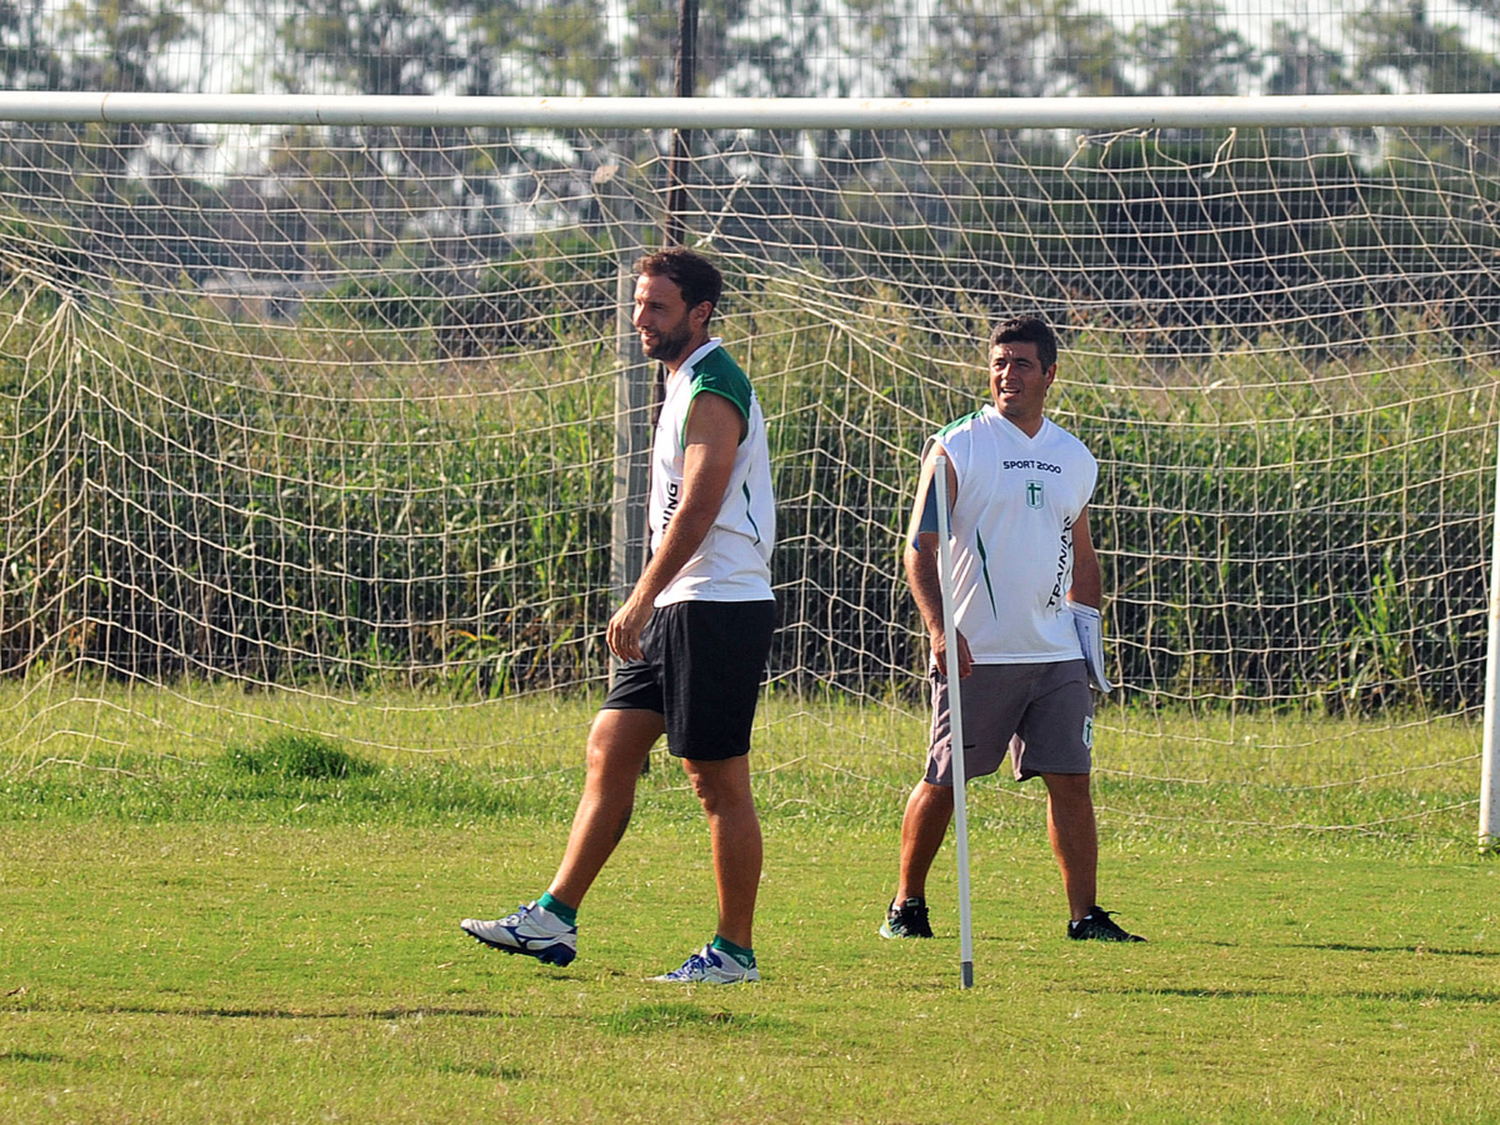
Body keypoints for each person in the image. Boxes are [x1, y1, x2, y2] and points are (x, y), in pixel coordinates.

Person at [462, 247, 777, 983]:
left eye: (657, 306)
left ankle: (734, 953)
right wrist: (652, 598)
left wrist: (639, 596)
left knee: (716, 780)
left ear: (699, 313)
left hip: (718, 604)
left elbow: (700, 505)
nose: (641, 318)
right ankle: (552, 918)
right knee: (610, 743)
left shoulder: (713, 384)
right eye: (638, 304)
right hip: (679, 602)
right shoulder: (681, 380)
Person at [880, 315, 1144, 944]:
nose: (1008, 375)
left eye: (1022, 364)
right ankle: (905, 906)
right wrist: (942, 634)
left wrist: (1089, 641)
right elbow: (921, 547)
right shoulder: (958, 446)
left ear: (1050, 374)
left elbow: (1081, 555)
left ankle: (1086, 916)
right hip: (978, 657)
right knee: (947, 781)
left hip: (1055, 657)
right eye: (1000, 363)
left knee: (1072, 781)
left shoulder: (1073, 457)